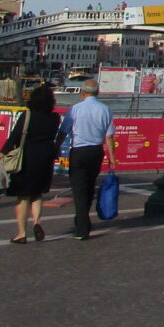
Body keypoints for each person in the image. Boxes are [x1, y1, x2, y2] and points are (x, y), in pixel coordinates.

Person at [57, 80, 117, 240]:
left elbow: (64, 130)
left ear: (82, 93)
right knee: (90, 186)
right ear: (98, 93)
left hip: (78, 151)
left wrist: (56, 145)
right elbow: (109, 135)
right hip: (96, 151)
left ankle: (82, 224)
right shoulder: (105, 109)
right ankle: (82, 218)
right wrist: (112, 156)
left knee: (78, 187)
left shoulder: (75, 109)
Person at [1, 84, 62, 243]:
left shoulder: (27, 115)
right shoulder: (54, 118)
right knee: (37, 193)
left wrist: (2, 154)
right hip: (45, 159)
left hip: (26, 158)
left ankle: (21, 233)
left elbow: (14, 137)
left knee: (23, 197)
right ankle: (37, 222)